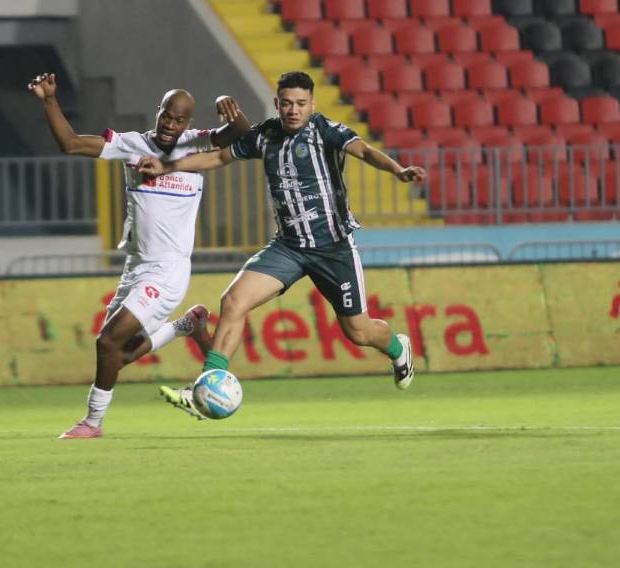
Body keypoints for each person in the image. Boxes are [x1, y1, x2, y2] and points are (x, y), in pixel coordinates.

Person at [136, 71, 427, 418]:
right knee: (233, 301)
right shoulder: (266, 135)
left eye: (301, 104)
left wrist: (397, 170)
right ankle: (205, 388)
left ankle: (398, 349)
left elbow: (363, 150)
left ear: (312, 104)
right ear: (277, 104)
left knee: (359, 332)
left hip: (333, 248)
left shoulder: (324, 130)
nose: (293, 110)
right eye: (287, 103)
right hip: (288, 247)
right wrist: (166, 165)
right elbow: (218, 157)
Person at [27, 72, 252, 439]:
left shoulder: (196, 145)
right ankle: (186, 326)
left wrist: (234, 112)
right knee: (117, 354)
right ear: (158, 111)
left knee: (107, 343)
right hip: (136, 269)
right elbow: (70, 144)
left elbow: (240, 135)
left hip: (168, 272)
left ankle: (92, 423)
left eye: (179, 120)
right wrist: (49, 100)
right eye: (167, 115)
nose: (170, 124)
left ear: (188, 123)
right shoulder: (133, 146)